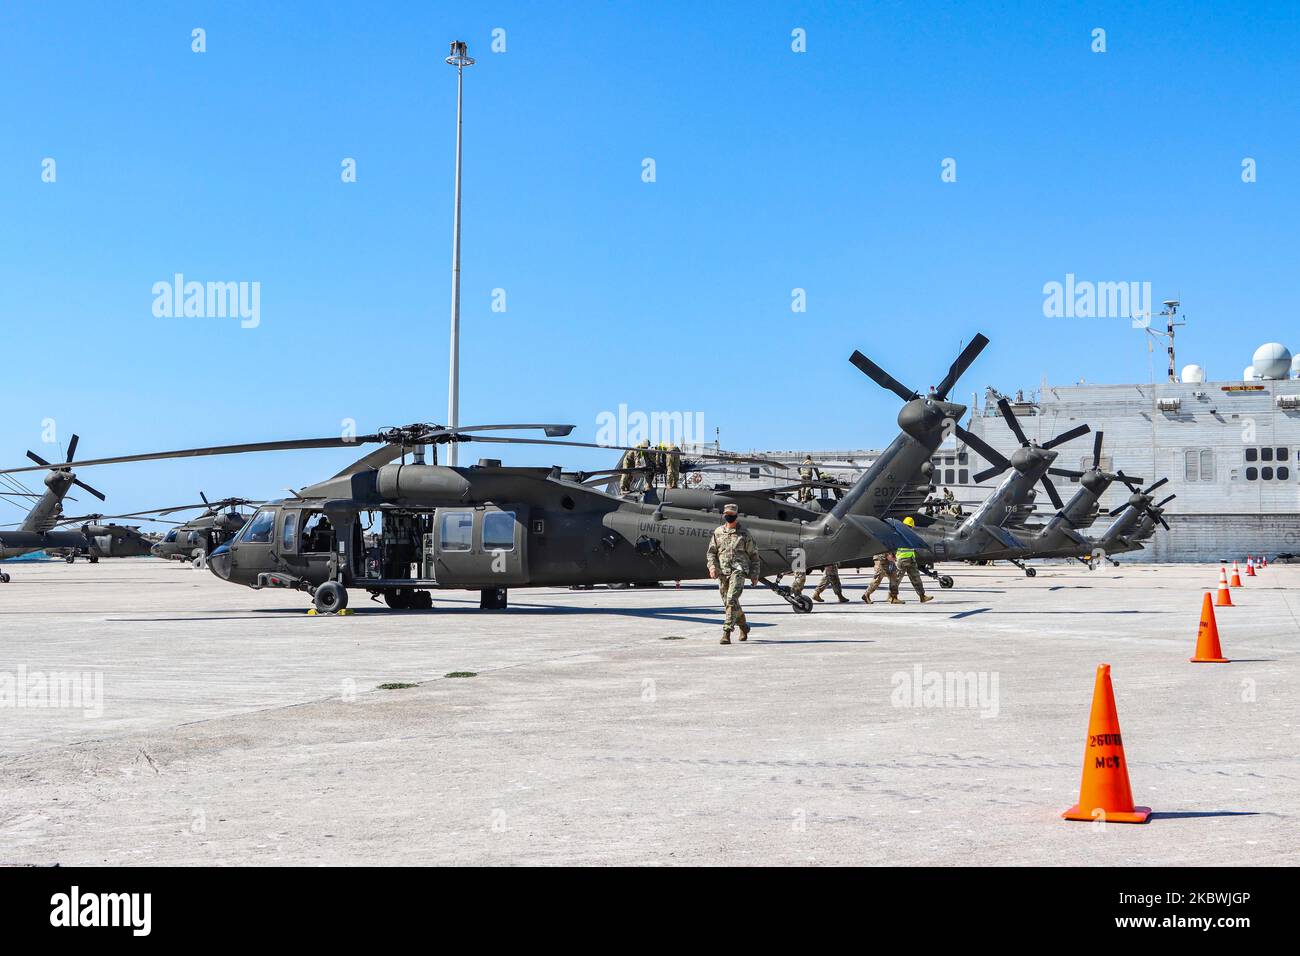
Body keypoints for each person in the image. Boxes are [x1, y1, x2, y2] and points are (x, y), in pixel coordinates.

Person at [706, 503, 760, 645]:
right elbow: (711, 552)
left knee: (731, 599)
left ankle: (726, 632)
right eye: (726, 514)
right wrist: (712, 567)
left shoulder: (744, 533)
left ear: (736, 516)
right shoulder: (718, 532)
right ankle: (744, 626)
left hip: (739, 571)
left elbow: (754, 556)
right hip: (723, 572)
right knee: (730, 603)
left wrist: (754, 575)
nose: (728, 517)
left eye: (731, 515)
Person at [896, 516, 934, 603]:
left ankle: (922, 596)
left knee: (916, 578)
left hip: (910, 559)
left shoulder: (909, 533)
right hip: (902, 559)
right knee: (897, 579)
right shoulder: (900, 533)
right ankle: (892, 596)